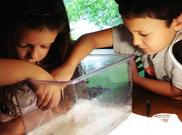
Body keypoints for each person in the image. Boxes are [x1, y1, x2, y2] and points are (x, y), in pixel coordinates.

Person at [61, 0, 182, 100]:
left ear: (178, 22)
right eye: (130, 32)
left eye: (144, 34)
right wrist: (68, 67)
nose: (135, 42)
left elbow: (176, 91)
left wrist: (136, 78)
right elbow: (90, 39)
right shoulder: (140, 33)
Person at [0, 0, 73, 134]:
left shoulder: (58, 59)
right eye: (23, 45)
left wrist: (20, 124)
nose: (33, 55)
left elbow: (67, 105)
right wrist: (33, 72)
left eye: (45, 46)